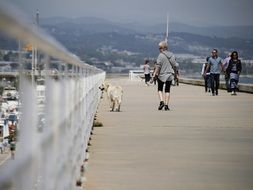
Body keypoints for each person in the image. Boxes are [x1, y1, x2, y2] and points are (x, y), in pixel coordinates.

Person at [152, 41, 177, 111]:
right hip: (170, 75)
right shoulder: (172, 55)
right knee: (167, 90)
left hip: (161, 75)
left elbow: (158, 66)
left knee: (159, 89)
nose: (159, 49)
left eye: (160, 48)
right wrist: (175, 74)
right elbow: (175, 66)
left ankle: (161, 102)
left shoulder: (160, 55)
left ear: (164, 48)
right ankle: (166, 105)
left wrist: (154, 74)